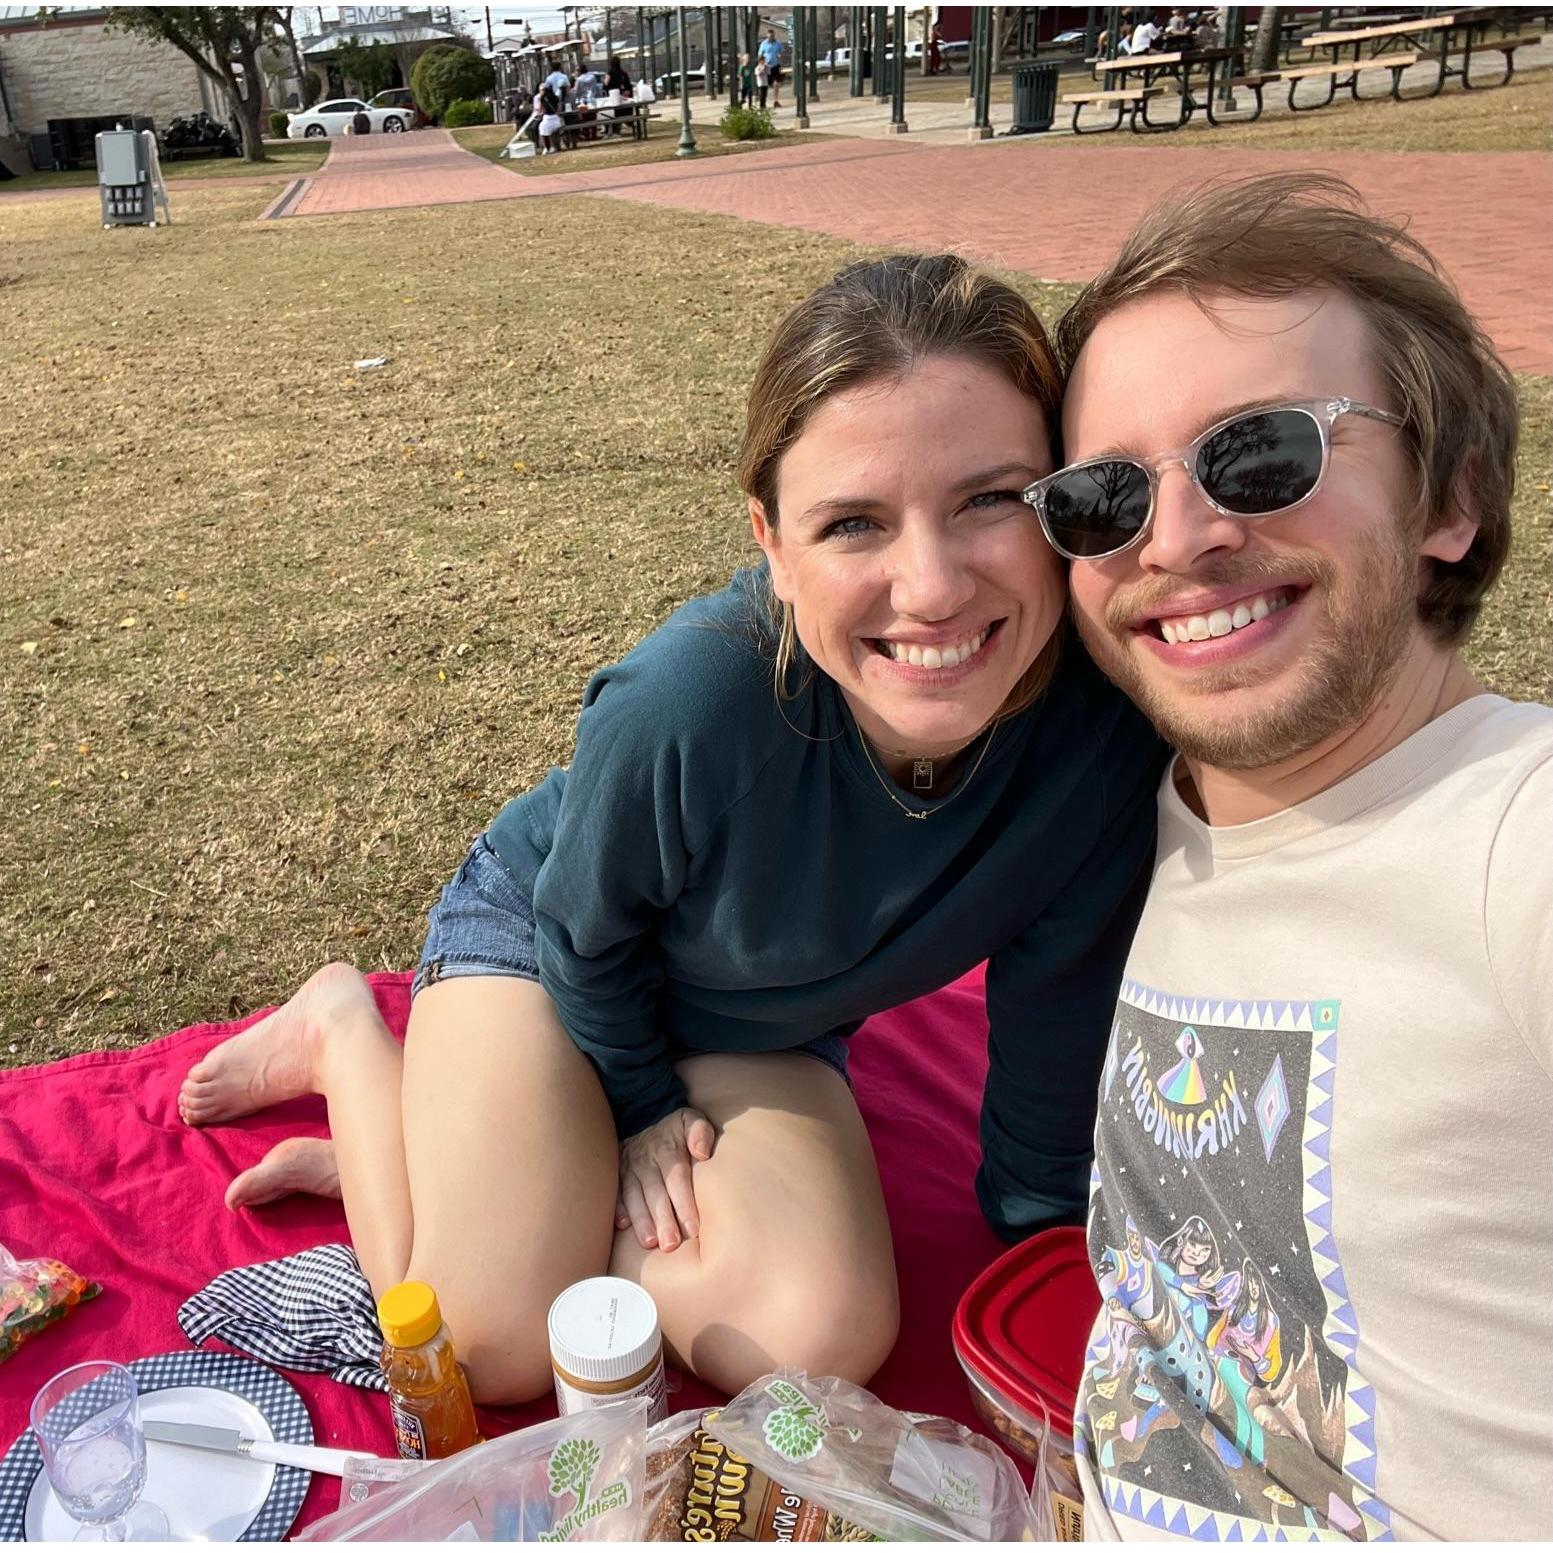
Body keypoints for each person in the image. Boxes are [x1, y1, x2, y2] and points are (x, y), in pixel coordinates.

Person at [177, 253, 1165, 1407]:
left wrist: (1045, 1262)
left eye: (989, 498)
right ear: (770, 541)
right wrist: (638, 1106)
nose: (932, 585)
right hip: (556, 962)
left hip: (761, 1026)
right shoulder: (692, 698)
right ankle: (351, 1040)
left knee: (815, 1338)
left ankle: (482, 1170)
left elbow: (1054, 1029)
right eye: (852, 521)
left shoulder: (1102, 743)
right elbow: (586, 929)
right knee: (483, 1345)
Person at [1034, 173, 1552, 1537]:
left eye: (1261, 454)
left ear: (1449, 497)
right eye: (1102, 497)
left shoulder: (1514, 837)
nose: (1181, 538)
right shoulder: (1145, 812)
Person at [535, 78, 564, 154]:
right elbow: (559, 108)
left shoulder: (542, 98)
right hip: (556, 119)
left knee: (542, 129)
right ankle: (556, 146)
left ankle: (547, 148)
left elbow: (541, 110)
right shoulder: (556, 98)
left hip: (548, 119)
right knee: (555, 132)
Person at [759, 27, 784, 107]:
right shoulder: (763, 44)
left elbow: (781, 53)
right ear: (767, 36)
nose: (770, 38)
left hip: (775, 65)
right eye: (769, 37)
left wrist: (780, 57)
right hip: (767, 66)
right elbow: (760, 55)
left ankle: (776, 101)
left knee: (776, 84)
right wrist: (761, 65)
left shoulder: (778, 43)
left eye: (772, 37)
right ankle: (763, 102)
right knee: (765, 85)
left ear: (774, 36)